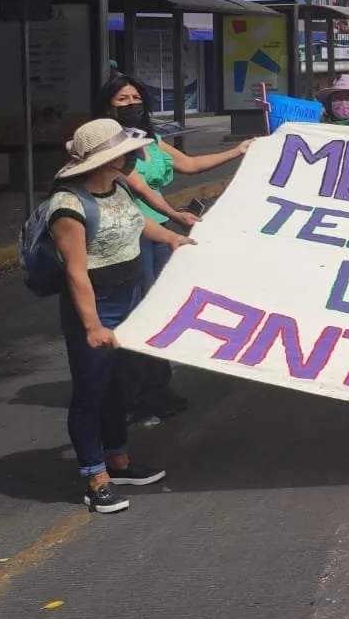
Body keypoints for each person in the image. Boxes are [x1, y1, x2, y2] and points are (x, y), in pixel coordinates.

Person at [48, 118, 194, 513]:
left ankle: (118, 461)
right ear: (107, 160)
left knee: (118, 385)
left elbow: (136, 220)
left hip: (130, 299)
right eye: (128, 152)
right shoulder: (69, 207)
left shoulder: (118, 187)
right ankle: (95, 478)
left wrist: (173, 236)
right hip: (98, 305)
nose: (137, 155)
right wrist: (93, 325)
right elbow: (77, 273)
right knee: (91, 392)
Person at [96, 75, 252, 424]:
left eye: (136, 97)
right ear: (108, 106)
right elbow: (135, 187)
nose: (131, 104)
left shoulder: (152, 141)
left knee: (161, 306)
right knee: (139, 311)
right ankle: (135, 391)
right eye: (122, 99)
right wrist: (175, 214)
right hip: (131, 234)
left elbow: (190, 165)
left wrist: (237, 151)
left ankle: (156, 385)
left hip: (160, 232)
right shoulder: (107, 145)